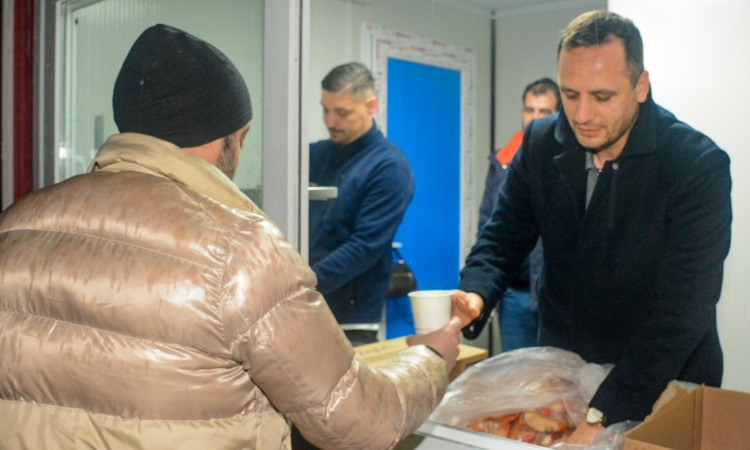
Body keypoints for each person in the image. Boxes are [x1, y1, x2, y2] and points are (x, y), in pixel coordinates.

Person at [0, 25, 463, 450]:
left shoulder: (14, 225)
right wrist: (431, 358)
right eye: (243, 137)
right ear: (225, 137)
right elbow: (362, 421)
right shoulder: (238, 253)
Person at [452, 10, 731, 444]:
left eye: (602, 96)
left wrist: (603, 412)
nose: (582, 114)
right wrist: (475, 292)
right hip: (566, 373)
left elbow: (681, 314)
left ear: (641, 86)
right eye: (570, 94)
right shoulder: (541, 142)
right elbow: (503, 235)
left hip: (664, 382)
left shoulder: (695, 165)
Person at [309, 62, 414, 347]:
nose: (330, 121)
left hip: (351, 321)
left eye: (341, 112)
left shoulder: (390, 167)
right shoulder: (314, 155)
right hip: (302, 308)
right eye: (325, 110)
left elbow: (364, 248)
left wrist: (302, 283)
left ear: (371, 105)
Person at [478, 78, 560, 352]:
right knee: (516, 385)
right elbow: (488, 224)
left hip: (553, 297)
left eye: (544, 112)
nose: (534, 118)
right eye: (529, 110)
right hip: (513, 295)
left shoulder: (566, 161)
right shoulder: (502, 161)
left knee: (555, 383)